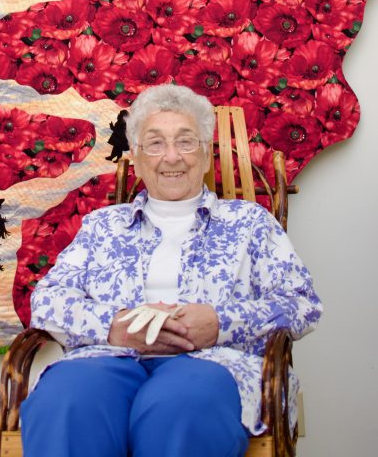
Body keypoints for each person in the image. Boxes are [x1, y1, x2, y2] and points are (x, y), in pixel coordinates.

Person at [23, 84, 321, 457]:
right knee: (66, 399)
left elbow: (302, 304)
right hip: (106, 359)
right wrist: (114, 328)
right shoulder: (102, 226)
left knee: (179, 405)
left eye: (186, 141)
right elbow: (47, 301)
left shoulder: (249, 222)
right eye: (155, 143)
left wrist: (219, 323)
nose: (171, 156)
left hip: (211, 363)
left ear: (206, 154)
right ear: (136, 156)